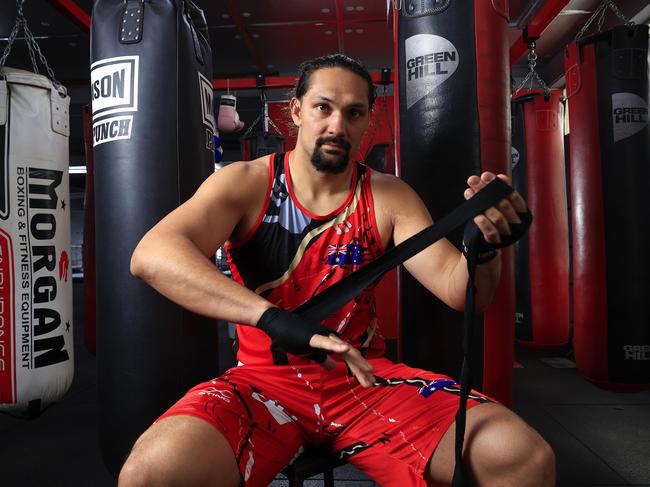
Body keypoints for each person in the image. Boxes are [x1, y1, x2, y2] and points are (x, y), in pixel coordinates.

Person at [119, 54, 555, 487]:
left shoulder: (388, 196)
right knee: (152, 473)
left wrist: (485, 249)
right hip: (263, 384)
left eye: (354, 113)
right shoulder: (246, 182)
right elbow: (152, 255)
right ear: (296, 110)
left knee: (523, 459)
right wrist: (273, 319)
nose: (337, 126)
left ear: (368, 119)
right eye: (323, 107)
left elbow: (459, 290)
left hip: (363, 380)